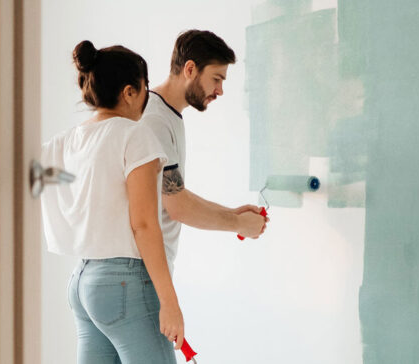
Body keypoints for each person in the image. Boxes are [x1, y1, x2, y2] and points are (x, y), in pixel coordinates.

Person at [41, 40, 182, 364]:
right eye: (145, 88)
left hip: (82, 282)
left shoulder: (68, 140)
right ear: (130, 92)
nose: (148, 97)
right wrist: (169, 300)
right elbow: (144, 224)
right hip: (124, 283)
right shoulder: (135, 135)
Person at [140, 30, 269, 277]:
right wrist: (239, 224)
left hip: (144, 271)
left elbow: (174, 193)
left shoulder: (166, 115)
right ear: (190, 69)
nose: (220, 90)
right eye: (216, 79)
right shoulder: (155, 119)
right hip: (141, 273)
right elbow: (178, 206)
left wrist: (234, 214)